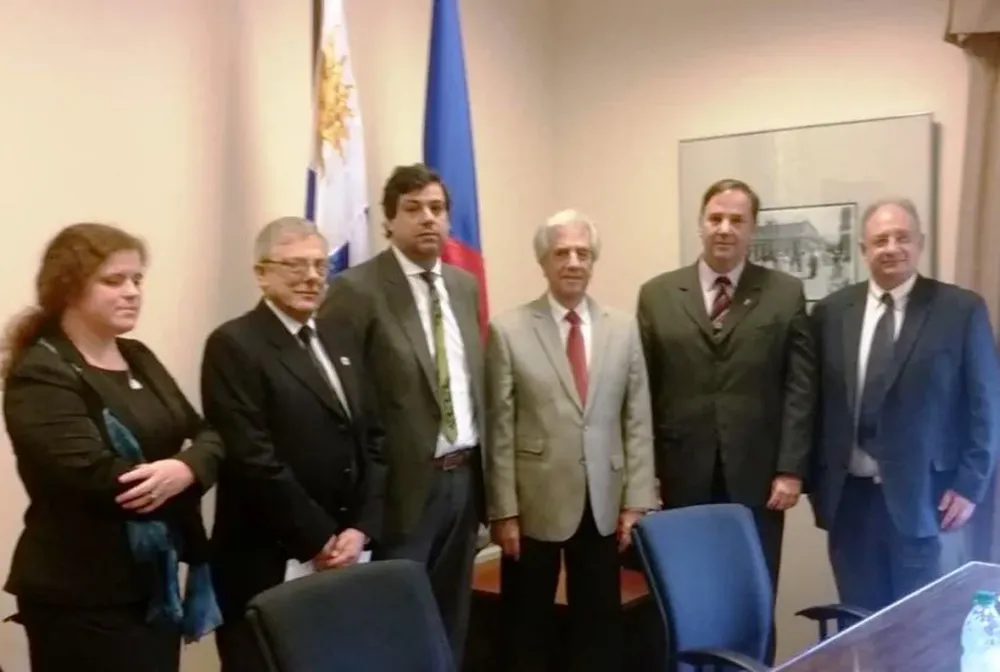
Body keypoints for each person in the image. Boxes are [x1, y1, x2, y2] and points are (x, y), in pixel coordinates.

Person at [1, 223, 223, 672]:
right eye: (113, 280)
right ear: (68, 288)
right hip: (82, 594)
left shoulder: (137, 354)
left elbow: (209, 435)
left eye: (137, 280)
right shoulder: (41, 372)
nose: (132, 292)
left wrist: (186, 470)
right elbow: (98, 477)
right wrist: (187, 468)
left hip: (154, 587)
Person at [636, 179, 816, 659]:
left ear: (752, 228)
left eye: (737, 220)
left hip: (759, 480)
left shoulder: (784, 293)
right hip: (679, 476)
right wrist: (643, 473)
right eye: (716, 218)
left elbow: (801, 387)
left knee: (751, 599)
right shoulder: (656, 295)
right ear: (701, 223)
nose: (724, 229)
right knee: (683, 598)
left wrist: (791, 467)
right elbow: (642, 393)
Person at [201, 217, 386, 672]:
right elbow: (253, 458)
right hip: (270, 556)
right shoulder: (234, 345)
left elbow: (375, 439)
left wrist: (361, 527)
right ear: (261, 273)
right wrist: (319, 537)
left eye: (320, 266)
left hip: (349, 549)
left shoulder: (341, 337)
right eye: (295, 266)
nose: (311, 277)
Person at [319, 164, 485, 664]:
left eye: (436, 209)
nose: (427, 219)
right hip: (400, 490)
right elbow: (340, 401)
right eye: (413, 209)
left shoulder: (462, 285)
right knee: (391, 621)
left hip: (464, 480)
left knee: (451, 615)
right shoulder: (356, 290)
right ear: (388, 221)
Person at [809, 198, 1000, 611]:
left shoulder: (960, 310)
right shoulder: (831, 312)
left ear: (920, 244)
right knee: (858, 624)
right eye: (880, 240)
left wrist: (970, 485)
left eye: (902, 238)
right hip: (851, 506)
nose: (891, 247)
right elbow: (815, 405)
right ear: (863, 249)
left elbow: (987, 405)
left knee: (922, 627)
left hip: (928, 501)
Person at [486, 210, 656, 672]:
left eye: (583, 253)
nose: (574, 262)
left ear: (594, 260)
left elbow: (636, 418)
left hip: (602, 502)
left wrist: (637, 501)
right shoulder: (509, 330)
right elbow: (499, 428)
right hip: (534, 503)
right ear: (544, 261)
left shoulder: (623, 328)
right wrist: (503, 512)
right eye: (562, 252)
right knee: (528, 625)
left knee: (598, 626)